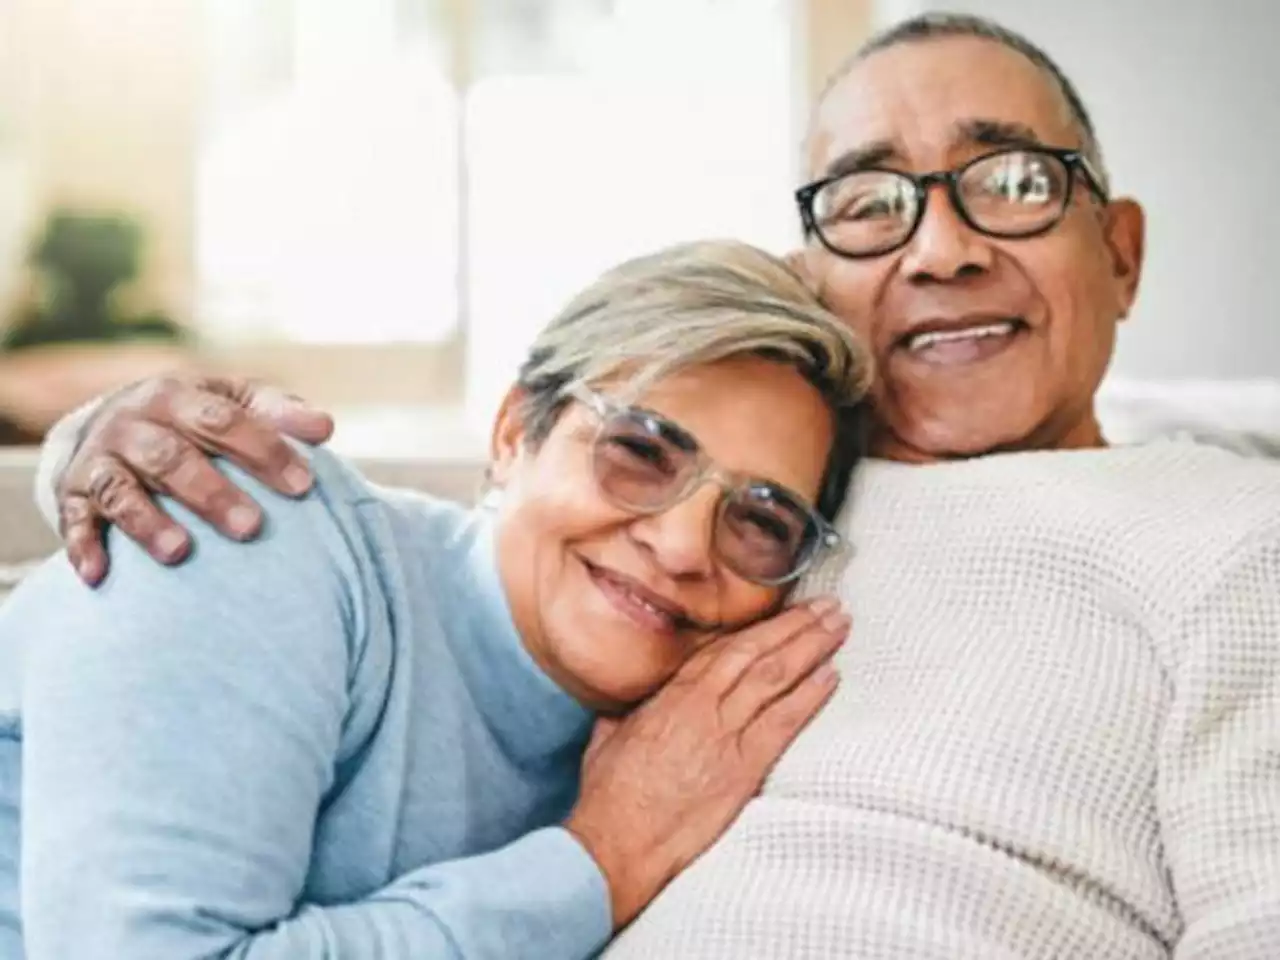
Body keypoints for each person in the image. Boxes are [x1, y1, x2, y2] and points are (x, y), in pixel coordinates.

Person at [19, 11, 1280, 960]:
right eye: (867, 200)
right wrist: (94, 444)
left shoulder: (1216, 537)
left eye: (1011, 183)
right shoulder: (271, 525)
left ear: (1118, 251)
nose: (939, 248)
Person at [0, 240, 874, 958]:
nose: (683, 545)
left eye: (762, 518)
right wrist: (597, 861)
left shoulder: (697, 748)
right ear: (512, 433)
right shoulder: (250, 525)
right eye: (641, 451)